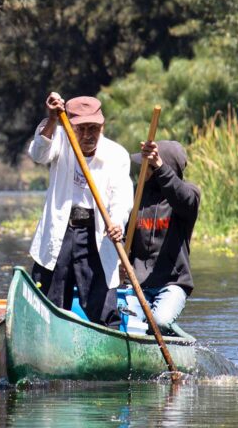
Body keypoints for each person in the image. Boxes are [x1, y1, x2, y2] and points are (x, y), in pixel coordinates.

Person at [28, 92, 133, 326]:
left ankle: (109, 338)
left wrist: (117, 222)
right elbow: (38, 154)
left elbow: (122, 195)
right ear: (71, 127)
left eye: (93, 128)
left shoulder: (116, 154)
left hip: (97, 232)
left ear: (102, 127)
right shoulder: (60, 138)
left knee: (103, 306)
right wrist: (52, 119)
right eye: (81, 129)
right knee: (47, 302)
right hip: (60, 230)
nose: (87, 135)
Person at [128, 140, 200, 338]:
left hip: (172, 283)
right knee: (126, 323)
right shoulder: (136, 194)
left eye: (148, 166)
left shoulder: (189, 195)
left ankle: (180, 339)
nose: (142, 170)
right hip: (137, 284)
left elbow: (184, 199)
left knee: (159, 321)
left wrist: (159, 166)